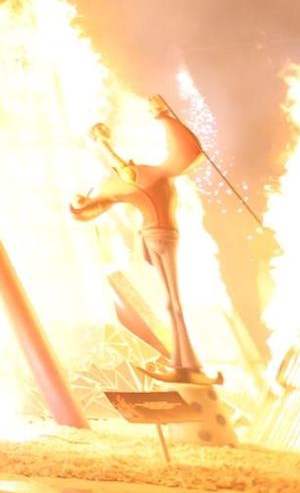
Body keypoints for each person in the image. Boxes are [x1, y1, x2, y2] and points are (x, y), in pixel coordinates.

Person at [70, 94, 219, 386]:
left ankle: (188, 365)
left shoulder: (150, 176)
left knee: (173, 302)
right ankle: (185, 363)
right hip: (157, 237)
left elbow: (124, 173)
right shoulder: (142, 179)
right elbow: (95, 203)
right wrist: (80, 204)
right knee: (171, 302)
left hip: (161, 237)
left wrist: (161, 115)